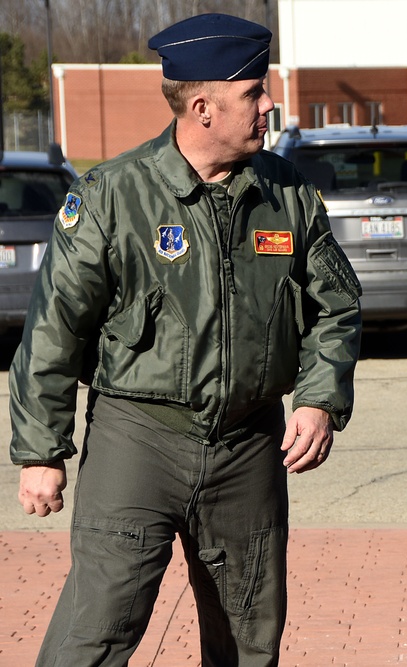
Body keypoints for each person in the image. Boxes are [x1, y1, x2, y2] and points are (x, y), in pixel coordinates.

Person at [9, 13, 362, 667]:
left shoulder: (287, 194)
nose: (269, 105)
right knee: (97, 629)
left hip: (248, 444)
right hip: (137, 438)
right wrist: (40, 451)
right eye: (254, 92)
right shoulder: (113, 196)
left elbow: (336, 306)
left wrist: (318, 398)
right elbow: (54, 328)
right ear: (203, 108)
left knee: (248, 638)